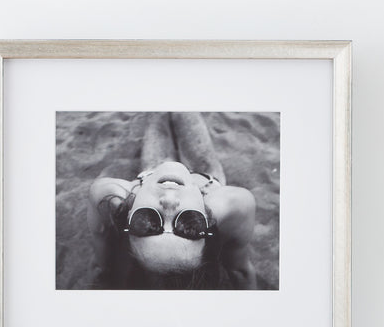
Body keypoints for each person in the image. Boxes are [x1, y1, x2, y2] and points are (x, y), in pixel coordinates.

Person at [86, 112, 257, 289]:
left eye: (146, 222)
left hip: (151, 174)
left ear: (128, 215)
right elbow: (240, 271)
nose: (169, 201)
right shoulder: (234, 205)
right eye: (190, 225)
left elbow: (100, 266)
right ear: (207, 220)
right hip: (206, 176)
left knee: (157, 114)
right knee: (186, 111)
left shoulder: (106, 196)